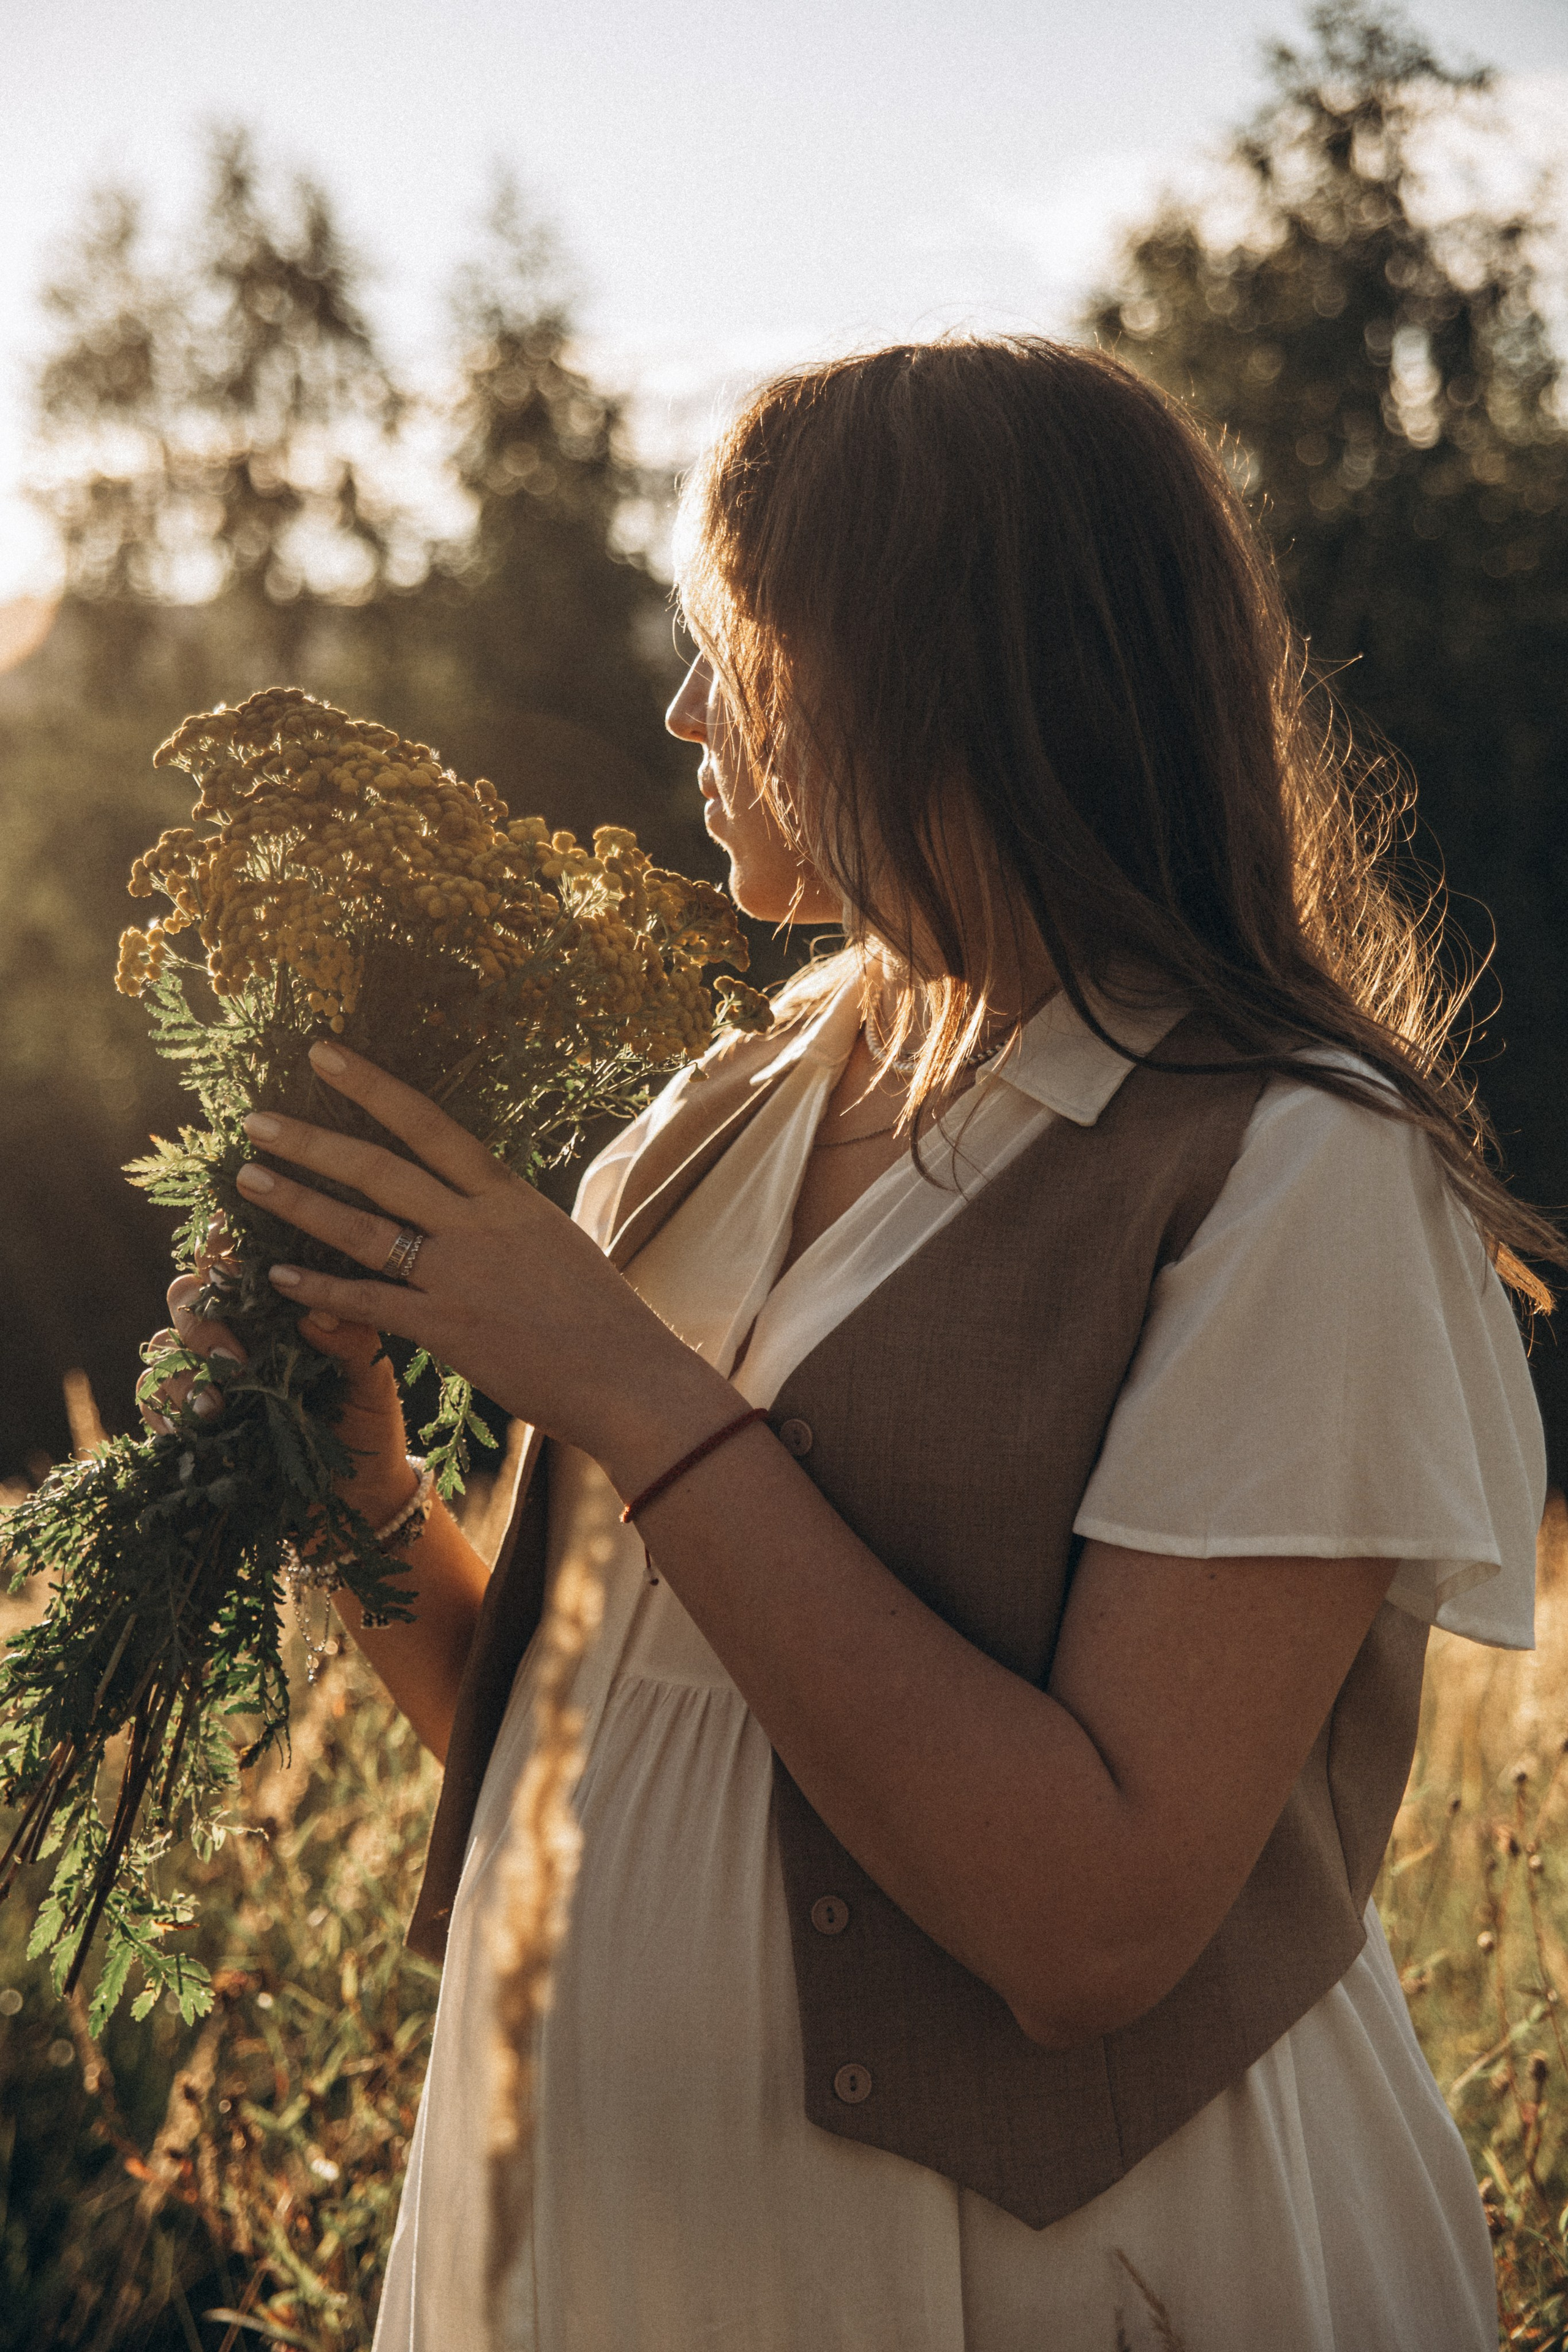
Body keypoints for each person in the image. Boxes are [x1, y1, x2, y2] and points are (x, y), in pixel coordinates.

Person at [148, 339, 1553, 2351]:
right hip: (601, 2249)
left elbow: (1094, 1918)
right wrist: (353, 1486)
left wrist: (626, 1386)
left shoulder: (1298, 1173)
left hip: (1038, 2283)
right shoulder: (745, 1098)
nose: (683, 706)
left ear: (926, 672)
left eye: (737, 642)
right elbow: (585, 1731)